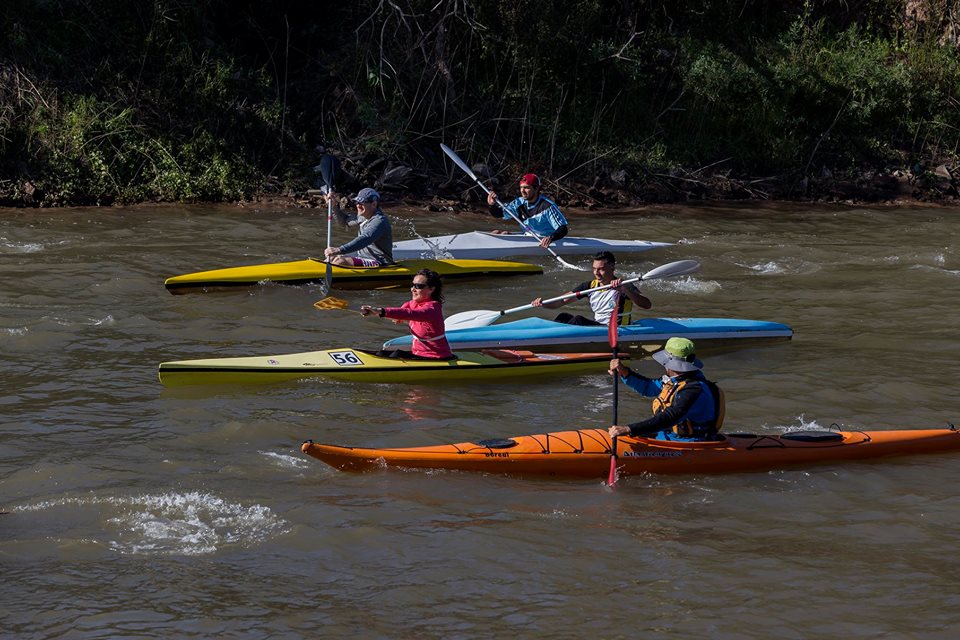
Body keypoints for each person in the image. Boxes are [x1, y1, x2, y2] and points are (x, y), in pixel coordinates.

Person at [608, 337, 725, 441]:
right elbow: (648, 388)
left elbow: (671, 417)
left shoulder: (693, 389)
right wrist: (624, 372)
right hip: (668, 437)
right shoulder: (675, 380)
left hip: (690, 442)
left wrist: (629, 429)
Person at [531, 251, 652, 326]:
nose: (596, 273)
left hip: (617, 330)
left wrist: (625, 291)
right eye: (594, 269)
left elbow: (647, 305)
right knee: (563, 317)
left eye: (601, 269)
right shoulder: (589, 286)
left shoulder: (624, 285)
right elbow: (561, 301)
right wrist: (543, 304)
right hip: (599, 326)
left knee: (578, 320)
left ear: (612, 268)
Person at [359, 269, 455, 360]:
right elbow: (400, 313)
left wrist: (381, 311)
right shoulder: (412, 304)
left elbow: (410, 314)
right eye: (412, 285)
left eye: (418, 286)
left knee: (397, 354)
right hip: (418, 354)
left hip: (437, 356)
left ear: (431, 289)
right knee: (381, 353)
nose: (413, 289)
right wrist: (373, 312)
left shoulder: (433, 309)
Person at [487, 173, 568, 248]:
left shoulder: (547, 206)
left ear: (536, 188)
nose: (522, 191)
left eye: (526, 187)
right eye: (521, 187)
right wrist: (491, 205)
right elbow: (499, 214)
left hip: (546, 240)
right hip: (527, 236)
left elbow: (563, 229)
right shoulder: (518, 203)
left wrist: (551, 238)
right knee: (496, 233)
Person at [324, 187, 394, 267]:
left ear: (374, 204)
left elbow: (365, 238)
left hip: (380, 262)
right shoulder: (362, 217)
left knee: (339, 261)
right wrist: (333, 206)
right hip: (363, 258)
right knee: (331, 259)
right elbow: (344, 221)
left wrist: (340, 249)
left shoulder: (379, 221)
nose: (358, 206)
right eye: (357, 202)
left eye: (362, 203)